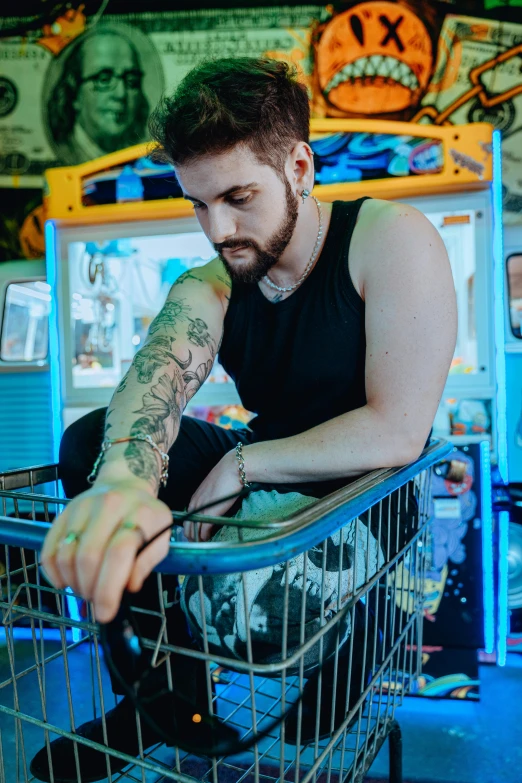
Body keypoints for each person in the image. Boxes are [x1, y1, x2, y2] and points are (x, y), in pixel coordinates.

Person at [31, 57, 458, 782]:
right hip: (272, 470)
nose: (218, 229)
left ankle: (361, 626)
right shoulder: (215, 281)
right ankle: (160, 692)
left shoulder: (390, 239)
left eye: (237, 196)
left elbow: (397, 430)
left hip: (365, 493)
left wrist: (242, 463)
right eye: (198, 204)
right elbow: (160, 371)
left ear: (298, 165)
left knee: (282, 659)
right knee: (87, 442)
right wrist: (125, 486)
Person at [47, 28, 150, 165]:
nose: (121, 94)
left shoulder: (145, 156)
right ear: (74, 93)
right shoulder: (66, 148)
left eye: (131, 81)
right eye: (104, 79)